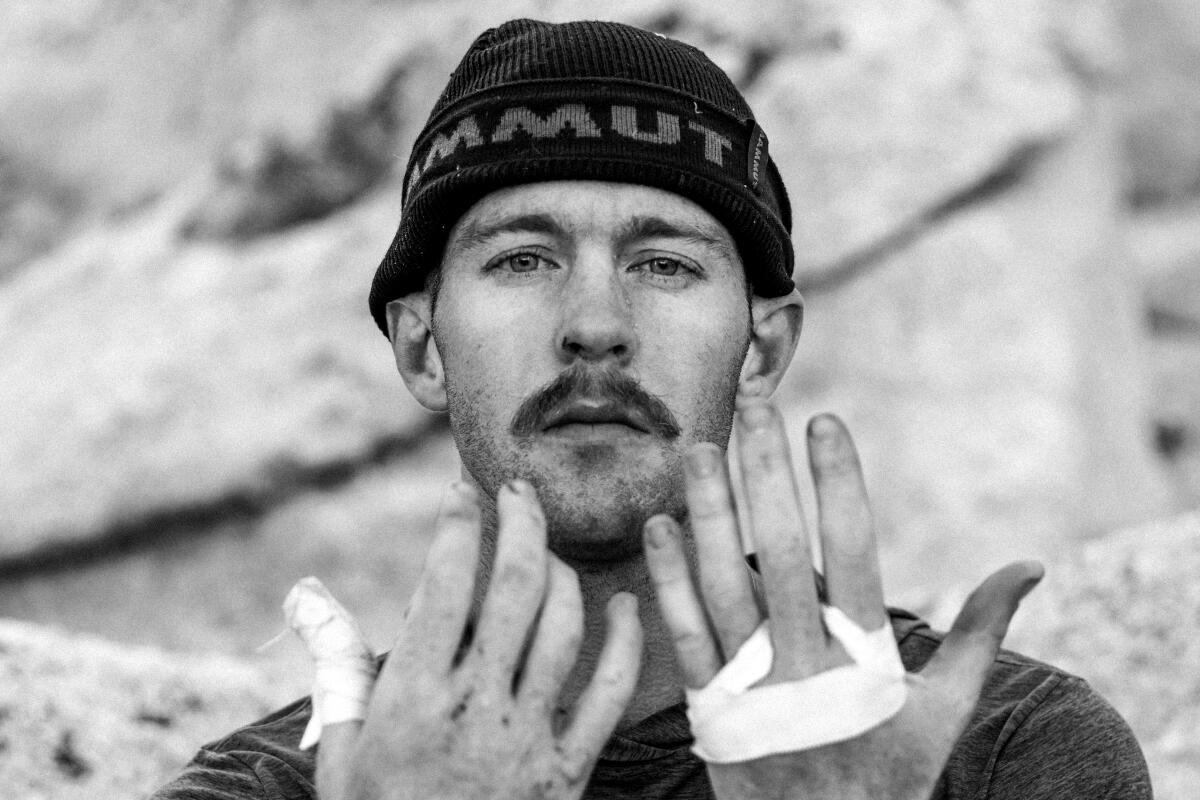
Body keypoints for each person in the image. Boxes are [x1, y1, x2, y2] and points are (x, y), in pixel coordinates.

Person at [152, 18, 1152, 800]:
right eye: (524, 258)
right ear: (423, 344)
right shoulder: (276, 786)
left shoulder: (998, 751)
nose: (595, 323)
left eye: (664, 262)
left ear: (761, 347)